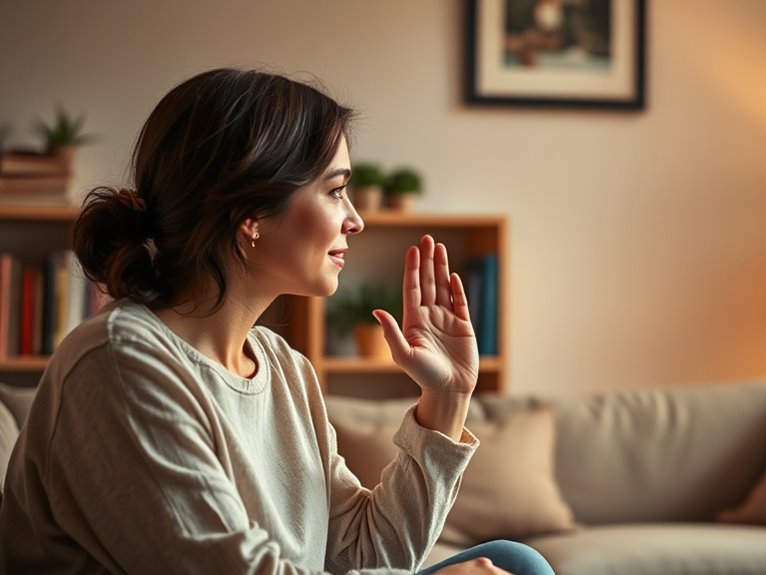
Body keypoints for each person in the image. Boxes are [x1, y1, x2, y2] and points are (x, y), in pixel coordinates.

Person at [0, 68, 554, 575]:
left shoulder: (284, 367)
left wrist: (449, 397)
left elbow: (362, 554)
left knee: (514, 562)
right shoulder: (119, 363)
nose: (356, 220)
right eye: (336, 191)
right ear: (252, 216)